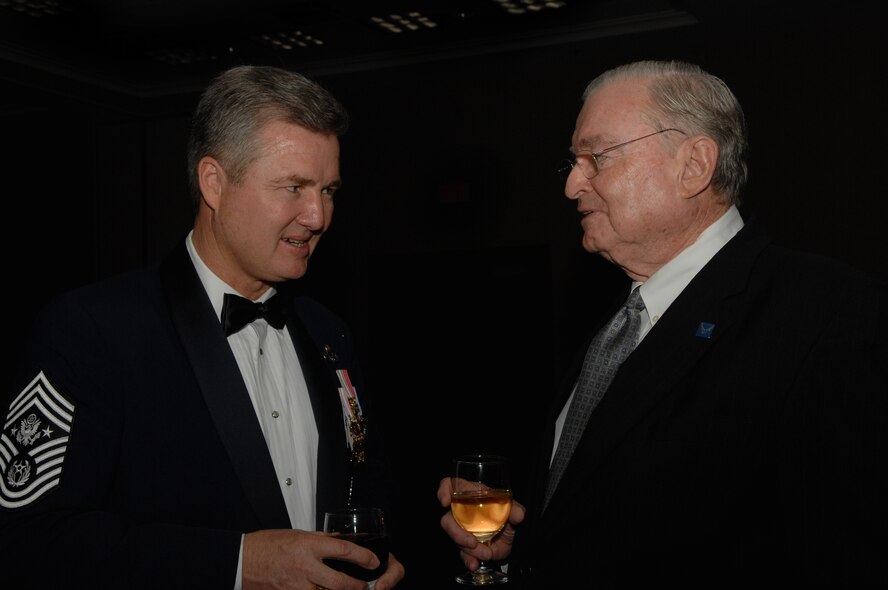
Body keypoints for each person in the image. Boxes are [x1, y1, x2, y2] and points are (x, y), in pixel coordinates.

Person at [438, 59, 888, 585]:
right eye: (573, 162)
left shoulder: (828, 314)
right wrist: (524, 550)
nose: (572, 186)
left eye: (596, 157)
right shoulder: (614, 322)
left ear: (694, 165)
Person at [0, 64, 405, 590]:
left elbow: (363, 484)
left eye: (328, 190)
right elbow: (27, 539)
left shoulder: (328, 333)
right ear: (213, 182)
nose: (318, 215)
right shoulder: (95, 330)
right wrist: (239, 564)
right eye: (293, 187)